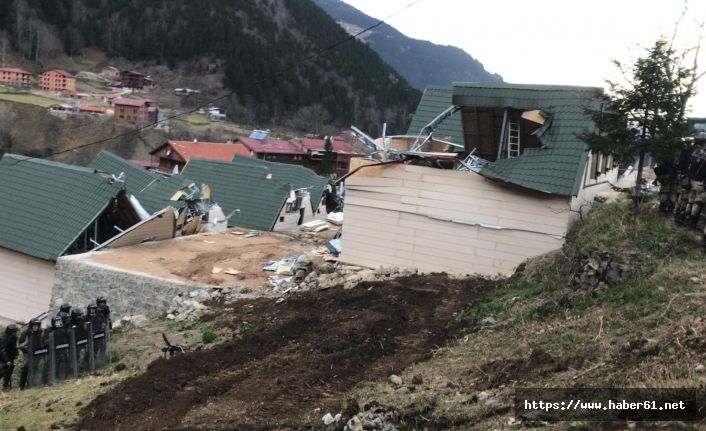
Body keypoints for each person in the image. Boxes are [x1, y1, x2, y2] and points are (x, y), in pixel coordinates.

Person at [19, 318, 47, 389]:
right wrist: (25, 347)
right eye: (34, 326)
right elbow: (20, 344)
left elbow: (43, 342)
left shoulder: (41, 332)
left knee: (35, 368)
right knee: (25, 369)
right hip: (27, 354)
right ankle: (22, 386)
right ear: (31, 326)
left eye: (37, 326)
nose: (36, 327)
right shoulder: (25, 333)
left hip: (37, 353)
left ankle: (30, 384)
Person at [684, 144, 706, 228]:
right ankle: (692, 222)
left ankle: (686, 219)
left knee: (690, 201)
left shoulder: (695, 157)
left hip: (692, 181)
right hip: (700, 183)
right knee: (697, 203)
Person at [0, 324, 19, 390]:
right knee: (3, 371)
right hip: (5, 358)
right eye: (14, 332)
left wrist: (16, 353)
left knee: (9, 372)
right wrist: (7, 360)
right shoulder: (5, 339)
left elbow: (14, 347)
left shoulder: (14, 338)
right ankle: (5, 386)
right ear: (11, 332)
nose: (16, 333)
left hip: (11, 358)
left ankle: (5, 386)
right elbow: (2, 351)